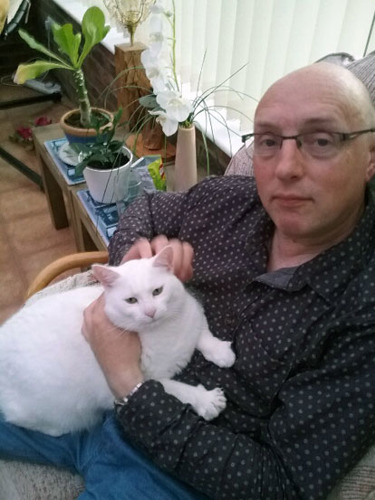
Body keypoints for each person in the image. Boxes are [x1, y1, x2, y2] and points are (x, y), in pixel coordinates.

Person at [1, 62, 375, 500]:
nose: (286, 167)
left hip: (170, 469)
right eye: (269, 141)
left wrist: (129, 385)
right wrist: (135, 263)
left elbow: (281, 483)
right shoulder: (230, 200)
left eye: (322, 140)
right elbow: (149, 209)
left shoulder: (362, 312)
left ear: (370, 156)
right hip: (79, 390)